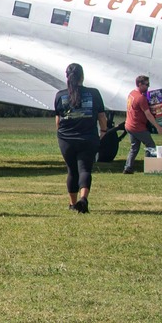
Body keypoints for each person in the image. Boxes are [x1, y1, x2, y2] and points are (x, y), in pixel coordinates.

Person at [52, 62, 109, 212]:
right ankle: (83, 199)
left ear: (67, 77)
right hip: (88, 137)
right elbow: (102, 117)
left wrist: (62, 135)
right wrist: (103, 132)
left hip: (66, 139)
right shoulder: (94, 93)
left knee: (72, 170)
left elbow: (58, 120)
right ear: (82, 76)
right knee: (85, 169)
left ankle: (72, 204)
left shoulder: (60, 95)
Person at [123, 73, 162, 172]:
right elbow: (148, 114)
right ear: (140, 84)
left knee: (134, 148)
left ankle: (128, 168)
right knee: (151, 145)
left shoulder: (131, 94)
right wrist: (158, 126)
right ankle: (150, 168)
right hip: (137, 127)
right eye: (146, 84)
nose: (148, 86)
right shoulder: (141, 98)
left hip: (129, 125)